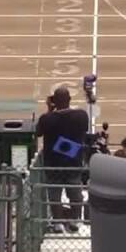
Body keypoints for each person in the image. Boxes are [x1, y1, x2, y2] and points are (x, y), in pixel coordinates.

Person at [35, 87, 89, 233]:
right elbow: (85, 128)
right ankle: (74, 220)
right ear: (69, 100)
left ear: (54, 101)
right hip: (73, 161)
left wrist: (49, 110)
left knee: (54, 195)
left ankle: (58, 222)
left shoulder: (47, 118)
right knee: (75, 194)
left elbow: (38, 132)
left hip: (53, 162)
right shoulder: (81, 115)